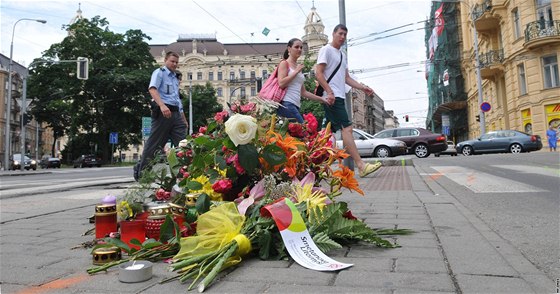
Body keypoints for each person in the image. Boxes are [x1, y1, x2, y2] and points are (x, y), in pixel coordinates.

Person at [315, 24, 380, 178]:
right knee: (347, 129)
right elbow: (319, 73)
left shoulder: (343, 55)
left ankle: (316, 166)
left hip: (338, 96)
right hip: (332, 96)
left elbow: (347, 78)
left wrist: (363, 87)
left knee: (326, 133)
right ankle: (361, 165)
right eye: (340, 33)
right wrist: (329, 92)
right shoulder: (326, 50)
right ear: (333, 34)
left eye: (345, 34)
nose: (342, 37)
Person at [134, 51, 188, 181]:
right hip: (163, 113)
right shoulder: (159, 73)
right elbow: (152, 89)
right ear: (165, 60)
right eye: (172, 61)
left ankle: (185, 173)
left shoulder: (175, 78)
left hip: (176, 115)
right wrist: (162, 105)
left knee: (184, 145)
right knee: (154, 145)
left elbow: (177, 100)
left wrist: (184, 119)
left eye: (176, 62)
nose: (174, 64)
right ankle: (142, 172)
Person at [277, 38, 331, 123]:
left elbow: (303, 92)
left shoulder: (298, 66)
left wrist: (322, 99)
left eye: (301, 47)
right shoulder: (284, 63)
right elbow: (281, 83)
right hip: (286, 104)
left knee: (295, 134)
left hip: (295, 105)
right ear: (289, 49)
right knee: (303, 132)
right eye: (296, 47)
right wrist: (296, 71)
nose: (299, 49)